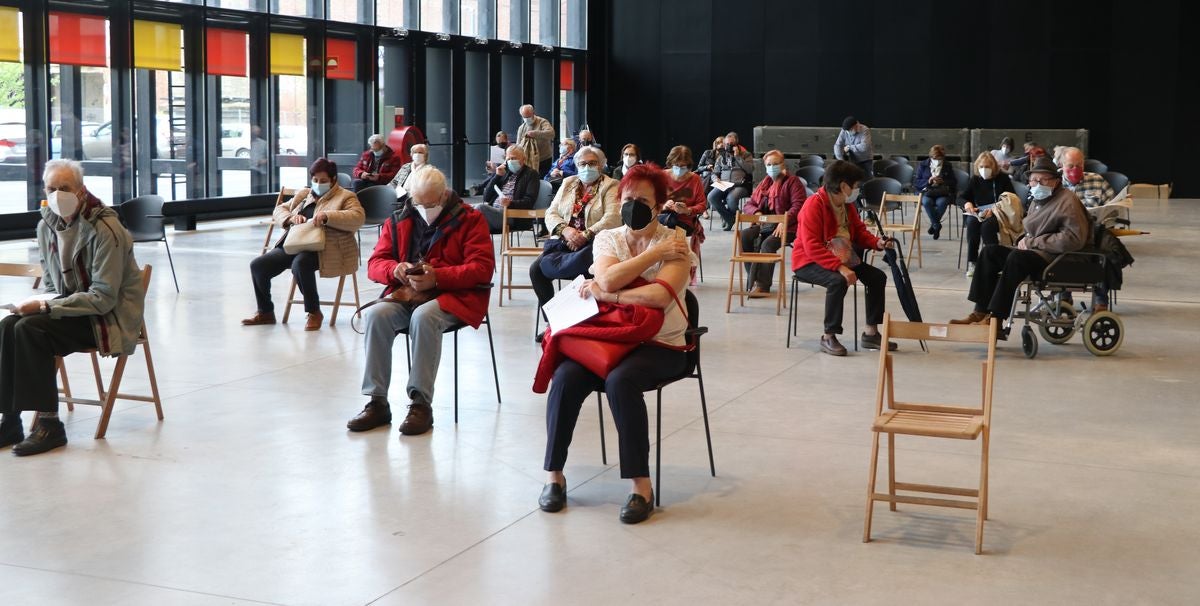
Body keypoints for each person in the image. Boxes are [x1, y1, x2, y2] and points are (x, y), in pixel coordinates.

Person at [536, 163, 695, 524]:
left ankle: (641, 486)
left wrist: (613, 293)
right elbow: (605, 277)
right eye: (627, 198)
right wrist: (653, 256)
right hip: (607, 340)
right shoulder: (610, 238)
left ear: (659, 206)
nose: (631, 205)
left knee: (620, 381)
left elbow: (658, 298)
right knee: (565, 376)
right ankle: (554, 475)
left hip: (661, 345)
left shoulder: (678, 243)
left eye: (641, 200)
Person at [0, 159, 145, 456]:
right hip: (71, 311)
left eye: (64, 188)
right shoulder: (46, 227)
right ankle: (10, 419)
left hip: (107, 319)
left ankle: (50, 426)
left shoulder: (106, 229)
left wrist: (43, 306)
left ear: (81, 191)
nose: (56, 195)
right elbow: (54, 287)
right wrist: (44, 303)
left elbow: (103, 297)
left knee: (30, 328)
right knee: (7, 325)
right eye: (51, 188)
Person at [346, 167, 495, 437]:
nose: (426, 208)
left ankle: (420, 404)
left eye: (432, 203)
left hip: (456, 296)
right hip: (408, 293)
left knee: (424, 317)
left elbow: (482, 269)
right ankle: (377, 401)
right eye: (419, 203)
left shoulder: (471, 219)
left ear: (444, 195)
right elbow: (375, 264)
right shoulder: (399, 218)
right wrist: (395, 270)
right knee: (375, 315)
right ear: (411, 197)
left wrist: (438, 277)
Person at [951, 157, 1090, 331]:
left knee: (1016, 258)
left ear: (1055, 181)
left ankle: (996, 318)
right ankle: (980, 311)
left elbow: (1073, 239)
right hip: (1033, 251)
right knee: (990, 252)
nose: (1036, 184)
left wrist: (1032, 241)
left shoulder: (1067, 202)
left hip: (1054, 258)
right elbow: (1030, 228)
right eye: (1033, 180)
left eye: (1042, 180)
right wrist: (1022, 239)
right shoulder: (1039, 200)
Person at [243, 158, 365, 331]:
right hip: (296, 243)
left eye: (323, 181)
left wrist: (328, 216)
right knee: (258, 265)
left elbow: (357, 217)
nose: (318, 184)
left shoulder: (346, 197)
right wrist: (290, 218)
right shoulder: (304, 194)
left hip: (327, 248)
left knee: (300, 264)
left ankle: (314, 312)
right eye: (315, 180)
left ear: (333, 180)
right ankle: (266, 312)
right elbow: (279, 209)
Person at [791, 160, 896, 356]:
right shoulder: (813, 205)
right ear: (843, 186)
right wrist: (840, 267)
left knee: (877, 277)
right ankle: (828, 336)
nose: (856, 190)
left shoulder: (847, 206)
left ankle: (870, 333)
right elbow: (811, 246)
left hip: (840, 255)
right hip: (808, 261)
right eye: (855, 186)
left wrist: (877, 243)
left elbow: (859, 232)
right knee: (838, 281)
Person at [531, 146, 621, 339]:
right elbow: (551, 212)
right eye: (582, 164)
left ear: (601, 165)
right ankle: (554, 323)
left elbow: (613, 217)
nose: (587, 167)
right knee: (536, 270)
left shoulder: (611, 185)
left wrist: (585, 235)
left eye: (592, 163)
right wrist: (566, 230)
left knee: (580, 270)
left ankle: (578, 324)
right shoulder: (568, 182)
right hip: (565, 239)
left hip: (594, 242)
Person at [740, 150, 804, 297]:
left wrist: (784, 220)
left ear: (783, 164)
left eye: (776, 164)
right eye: (769, 164)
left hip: (789, 226)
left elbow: (798, 206)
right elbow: (749, 204)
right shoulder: (765, 183)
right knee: (745, 236)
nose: (772, 167)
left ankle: (763, 286)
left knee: (767, 244)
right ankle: (754, 278)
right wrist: (756, 212)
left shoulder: (793, 182)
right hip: (766, 224)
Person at [1060, 147, 1116, 311]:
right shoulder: (1054, 184)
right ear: (1062, 165)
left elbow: (1111, 210)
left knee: (1105, 249)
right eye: (1070, 166)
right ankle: (1064, 297)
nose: (1075, 170)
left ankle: (1100, 299)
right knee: (1058, 247)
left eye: (1079, 165)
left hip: (1093, 233)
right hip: (1065, 233)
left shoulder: (1098, 181)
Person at [961, 151, 1016, 277]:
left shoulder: (1003, 178)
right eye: (981, 167)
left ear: (994, 167)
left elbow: (1011, 198)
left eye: (987, 167)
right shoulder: (975, 179)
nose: (984, 170)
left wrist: (996, 209)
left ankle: (994, 262)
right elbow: (962, 197)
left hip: (998, 213)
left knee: (987, 228)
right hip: (979, 212)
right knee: (972, 224)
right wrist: (967, 204)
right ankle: (972, 262)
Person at [660, 145, 707, 285]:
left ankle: (676, 273)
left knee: (674, 234)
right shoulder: (662, 176)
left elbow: (702, 205)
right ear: (671, 163)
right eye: (676, 165)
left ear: (688, 165)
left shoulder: (695, 179)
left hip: (685, 221)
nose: (680, 168)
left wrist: (687, 210)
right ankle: (659, 271)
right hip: (663, 217)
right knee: (656, 233)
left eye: (683, 166)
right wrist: (663, 205)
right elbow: (653, 200)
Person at [474, 145, 540, 234]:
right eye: (508, 159)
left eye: (514, 158)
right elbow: (486, 197)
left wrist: (510, 203)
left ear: (523, 159)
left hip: (513, 215)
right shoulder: (504, 172)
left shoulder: (531, 174)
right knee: (470, 212)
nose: (511, 161)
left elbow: (530, 201)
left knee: (479, 209)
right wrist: (497, 176)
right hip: (494, 211)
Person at [705, 132, 754, 231]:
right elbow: (714, 173)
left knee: (731, 199)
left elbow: (750, 169)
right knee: (711, 197)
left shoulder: (746, 154)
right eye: (726, 144)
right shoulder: (721, 156)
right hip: (724, 184)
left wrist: (737, 157)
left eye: (731, 144)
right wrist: (716, 179)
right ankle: (730, 218)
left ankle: (729, 217)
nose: (728, 146)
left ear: (736, 144)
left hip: (740, 185)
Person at [913, 145, 959, 240]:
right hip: (927, 191)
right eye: (935, 158)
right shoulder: (923, 164)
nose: (938, 160)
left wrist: (943, 181)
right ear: (931, 157)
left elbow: (953, 181)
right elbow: (916, 182)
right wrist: (928, 181)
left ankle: (934, 224)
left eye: (940, 158)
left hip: (942, 192)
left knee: (942, 202)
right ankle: (937, 225)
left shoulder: (947, 165)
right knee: (926, 202)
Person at [517, 104, 556, 176]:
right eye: (524, 117)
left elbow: (551, 134)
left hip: (544, 158)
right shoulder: (521, 128)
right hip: (529, 160)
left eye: (529, 116)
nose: (527, 119)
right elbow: (518, 145)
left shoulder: (542, 122)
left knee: (542, 179)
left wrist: (536, 133)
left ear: (533, 113)